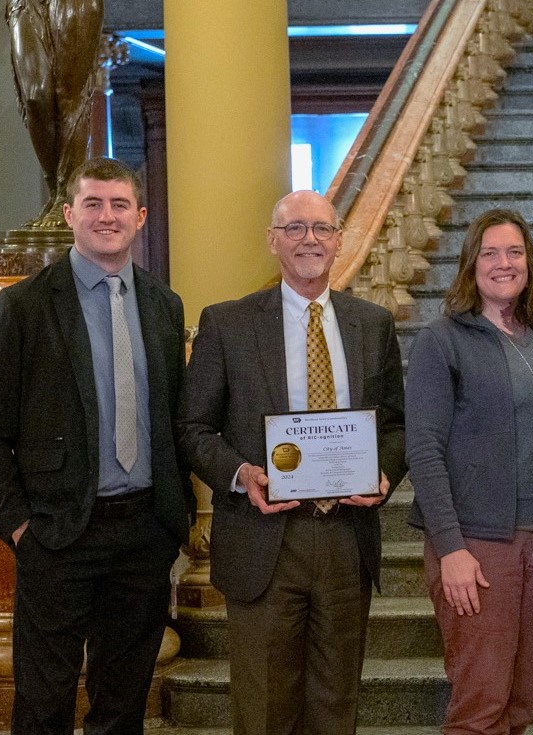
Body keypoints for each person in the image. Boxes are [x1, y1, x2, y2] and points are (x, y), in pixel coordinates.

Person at [0, 157, 192, 735]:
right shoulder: (23, 307)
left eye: (119, 205)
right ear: (69, 215)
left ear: (140, 218)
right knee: (43, 705)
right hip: (57, 535)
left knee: (122, 707)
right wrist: (20, 528)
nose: (106, 216)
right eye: (92, 203)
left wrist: (175, 520)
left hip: (144, 534)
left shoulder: (166, 307)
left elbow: (175, 421)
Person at [178, 190, 407, 735]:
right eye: (296, 228)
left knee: (336, 707)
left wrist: (383, 473)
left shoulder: (371, 324)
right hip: (263, 539)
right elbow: (192, 428)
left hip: (346, 539)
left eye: (322, 229)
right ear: (273, 241)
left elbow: (396, 425)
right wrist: (240, 474)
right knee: (263, 711)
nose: (310, 239)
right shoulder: (227, 324)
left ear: (339, 241)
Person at [404, 208, 533, 735]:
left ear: (530, 263)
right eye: (490, 253)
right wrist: (451, 548)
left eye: (515, 252)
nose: (503, 263)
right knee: (480, 707)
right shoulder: (442, 340)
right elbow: (423, 448)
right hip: (477, 544)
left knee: (519, 705)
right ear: (471, 264)